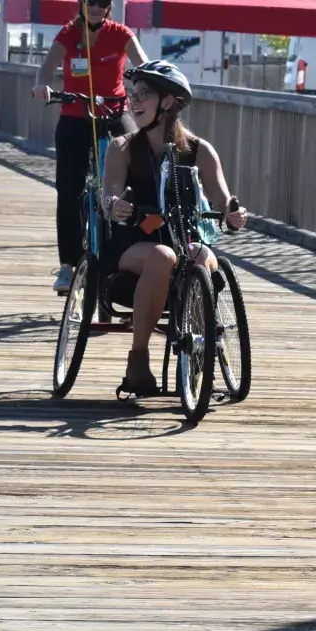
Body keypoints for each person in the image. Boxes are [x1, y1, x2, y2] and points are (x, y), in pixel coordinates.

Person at [99, 60, 246, 395]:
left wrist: (232, 213)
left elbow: (223, 199)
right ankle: (138, 360)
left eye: (144, 95)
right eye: (132, 95)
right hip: (133, 244)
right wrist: (114, 205)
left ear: (167, 102)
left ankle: (198, 347)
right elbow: (107, 195)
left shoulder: (199, 151)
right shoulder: (122, 149)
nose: (133, 102)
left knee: (202, 254)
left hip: (183, 241)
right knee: (163, 256)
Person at [30, 0, 147, 293]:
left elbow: (143, 65)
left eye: (104, 2)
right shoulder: (69, 34)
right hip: (75, 116)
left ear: (110, 5)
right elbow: (47, 67)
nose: (97, 7)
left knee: (131, 179)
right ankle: (68, 266)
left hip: (113, 114)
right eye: (92, 1)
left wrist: (150, 87)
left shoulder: (120, 34)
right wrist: (42, 85)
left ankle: (124, 256)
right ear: (82, 2)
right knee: (68, 192)